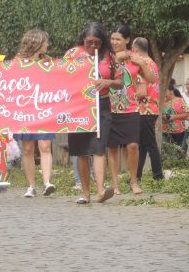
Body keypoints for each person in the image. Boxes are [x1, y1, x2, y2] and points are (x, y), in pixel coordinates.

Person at [66, 22, 122, 204]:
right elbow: (59, 77)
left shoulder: (109, 56)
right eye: (89, 42)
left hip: (101, 105)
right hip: (78, 106)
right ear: (83, 40)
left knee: (98, 148)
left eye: (97, 43)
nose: (92, 46)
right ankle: (85, 193)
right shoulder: (72, 54)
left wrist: (107, 82)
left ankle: (100, 191)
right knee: (81, 150)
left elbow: (120, 82)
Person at [108, 25, 155, 195]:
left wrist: (142, 62)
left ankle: (133, 181)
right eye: (112, 38)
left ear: (127, 40)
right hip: (110, 108)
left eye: (118, 39)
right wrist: (115, 58)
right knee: (112, 147)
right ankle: (114, 185)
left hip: (131, 108)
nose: (114, 42)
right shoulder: (106, 57)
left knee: (133, 145)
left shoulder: (135, 59)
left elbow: (151, 79)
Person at [12, 29, 56, 198]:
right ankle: (31, 185)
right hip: (25, 109)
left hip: (44, 108)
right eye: (45, 42)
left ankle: (47, 182)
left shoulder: (48, 62)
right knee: (28, 148)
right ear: (37, 43)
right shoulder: (18, 61)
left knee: (45, 145)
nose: (47, 45)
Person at [133, 37, 164, 181]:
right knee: (143, 145)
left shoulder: (142, 64)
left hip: (145, 109)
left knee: (150, 144)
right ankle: (136, 175)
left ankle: (158, 175)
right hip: (153, 108)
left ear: (136, 50)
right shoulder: (152, 63)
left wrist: (129, 95)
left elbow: (142, 91)